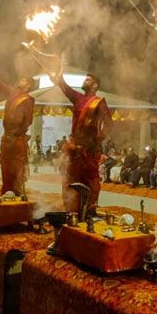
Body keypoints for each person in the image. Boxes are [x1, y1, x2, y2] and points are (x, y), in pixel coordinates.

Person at [52, 71, 112, 214]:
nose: (85, 80)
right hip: (74, 149)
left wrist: (97, 139)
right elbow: (65, 88)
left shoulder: (99, 102)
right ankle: (71, 211)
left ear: (95, 85)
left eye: (89, 79)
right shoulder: (77, 98)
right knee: (70, 179)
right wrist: (58, 77)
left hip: (90, 150)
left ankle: (89, 210)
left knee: (90, 180)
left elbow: (109, 124)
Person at [0, 75, 36, 195]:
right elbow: (0, 85)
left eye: (23, 79)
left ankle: (17, 192)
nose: (20, 80)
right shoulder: (12, 93)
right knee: (6, 167)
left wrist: (17, 133)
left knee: (17, 168)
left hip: (17, 138)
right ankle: (7, 191)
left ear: (28, 85)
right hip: (7, 137)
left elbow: (28, 120)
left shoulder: (28, 100)